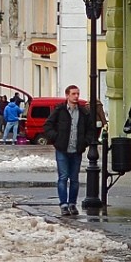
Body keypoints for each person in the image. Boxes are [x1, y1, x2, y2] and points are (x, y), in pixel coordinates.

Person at [44, 84, 100, 216]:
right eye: (73, 94)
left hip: (76, 149)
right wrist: (56, 138)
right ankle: (63, 204)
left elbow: (91, 129)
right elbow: (47, 126)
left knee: (74, 179)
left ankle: (72, 204)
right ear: (67, 95)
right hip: (62, 149)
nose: (76, 96)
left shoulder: (83, 112)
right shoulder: (60, 110)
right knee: (63, 177)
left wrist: (85, 142)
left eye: (77, 94)